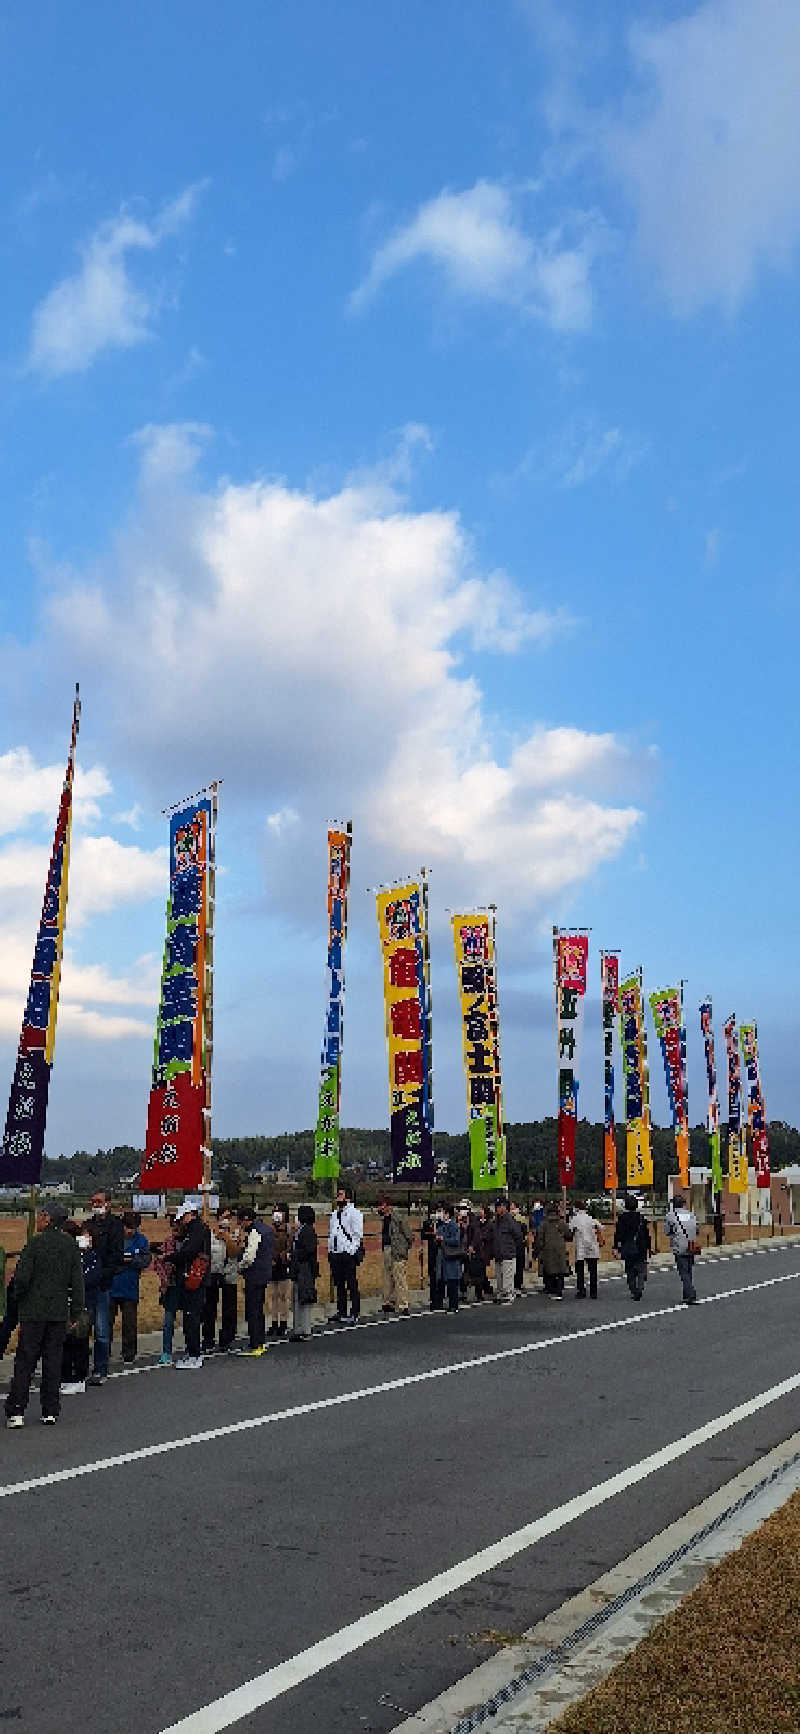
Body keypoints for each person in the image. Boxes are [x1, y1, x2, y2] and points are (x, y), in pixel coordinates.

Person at [5, 1201, 84, 1427]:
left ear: (48, 1219)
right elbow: (77, 1282)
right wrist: (76, 1311)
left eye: (41, 1215)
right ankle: (50, 1410)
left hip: (33, 1311)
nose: (38, 1219)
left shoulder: (35, 1244)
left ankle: (16, 1410)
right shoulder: (70, 1246)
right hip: (58, 1312)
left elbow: (21, 1278)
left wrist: (18, 1298)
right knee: (53, 1360)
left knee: (26, 1361)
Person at [164, 1201, 212, 1368]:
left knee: (191, 1317)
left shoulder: (197, 1230)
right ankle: (191, 1351)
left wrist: (170, 1257)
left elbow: (189, 1252)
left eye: (183, 1217)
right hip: (191, 1278)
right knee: (189, 1317)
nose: (182, 1221)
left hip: (194, 1279)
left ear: (189, 1214)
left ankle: (194, 1355)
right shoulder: (196, 1230)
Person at [85, 1190, 124, 1386]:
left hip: (102, 1283)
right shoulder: (88, 1224)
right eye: (93, 1201)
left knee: (101, 1329)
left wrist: (102, 1273)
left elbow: (116, 1255)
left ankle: (101, 1368)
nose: (95, 1203)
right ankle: (81, 1367)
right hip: (86, 1284)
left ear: (108, 1203)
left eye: (98, 1201)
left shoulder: (115, 1225)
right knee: (84, 1327)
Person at [61, 1220, 99, 1395]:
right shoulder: (70, 1255)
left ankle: (79, 1378)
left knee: (80, 1341)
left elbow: (89, 1279)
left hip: (83, 1305)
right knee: (66, 1341)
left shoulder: (93, 1257)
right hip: (67, 1304)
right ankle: (66, 1377)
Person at [110, 1212, 151, 1364]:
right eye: (127, 1227)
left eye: (132, 1228)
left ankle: (129, 1353)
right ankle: (104, 1352)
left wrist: (133, 1260)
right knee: (107, 1322)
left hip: (130, 1288)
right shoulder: (114, 1238)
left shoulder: (141, 1240)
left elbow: (146, 1260)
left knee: (129, 1323)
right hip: (111, 1286)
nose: (129, 1231)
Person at [203, 1210, 241, 1353]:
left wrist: (227, 1238)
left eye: (229, 1218)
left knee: (229, 1308)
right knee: (209, 1308)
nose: (226, 1220)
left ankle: (227, 1339)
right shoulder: (210, 1234)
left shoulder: (236, 1234)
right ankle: (208, 1340)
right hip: (213, 1273)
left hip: (229, 1275)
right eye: (224, 1217)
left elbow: (234, 1252)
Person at [238, 1205, 273, 1355]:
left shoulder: (255, 1232)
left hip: (254, 1274)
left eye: (240, 1222)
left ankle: (255, 1344)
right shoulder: (267, 1229)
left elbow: (249, 1256)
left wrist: (240, 1267)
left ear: (246, 1220)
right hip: (264, 1273)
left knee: (252, 1310)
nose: (240, 1225)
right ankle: (261, 1341)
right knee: (259, 1309)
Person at [327, 1186, 363, 1323]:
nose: (338, 1197)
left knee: (351, 1283)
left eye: (340, 1195)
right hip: (336, 1253)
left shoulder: (354, 1213)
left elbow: (357, 1235)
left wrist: (351, 1251)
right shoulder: (334, 1214)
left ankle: (355, 1312)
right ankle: (341, 1311)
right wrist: (331, 1250)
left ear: (347, 1197)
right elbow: (332, 1233)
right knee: (339, 1284)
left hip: (347, 1253)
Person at [152, 1213, 180, 1364]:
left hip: (186, 1284)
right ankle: (166, 1351)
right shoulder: (168, 1241)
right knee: (168, 1320)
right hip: (170, 1285)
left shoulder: (188, 1241)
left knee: (188, 1318)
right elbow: (158, 1262)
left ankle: (190, 1348)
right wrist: (164, 1279)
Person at [378, 1197, 413, 1316]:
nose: (380, 1208)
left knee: (399, 1278)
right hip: (387, 1249)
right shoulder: (384, 1219)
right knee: (388, 1277)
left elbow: (408, 1234)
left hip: (397, 1251)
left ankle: (404, 1304)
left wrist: (404, 1248)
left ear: (388, 1206)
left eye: (382, 1206)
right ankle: (388, 1302)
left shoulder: (398, 1218)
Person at [613, 1195, 652, 1300]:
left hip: (627, 1246)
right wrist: (649, 1247)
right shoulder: (641, 1217)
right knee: (640, 1269)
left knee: (629, 1269)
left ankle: (633, 1289)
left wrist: (616, 1246)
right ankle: (640, 1287)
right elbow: (646, 1234)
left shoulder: (622, 1218)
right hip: (640, 1246)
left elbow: (618, 1234)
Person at [289, 1206, 318, 1340]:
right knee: (298, 1299)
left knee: (304, 1298)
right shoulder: (300, 1230)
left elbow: (308, 1250)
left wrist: (294, 1254)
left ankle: (305, 1330)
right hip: (299, 1268)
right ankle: (298, 1329)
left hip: (305, 1269)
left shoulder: (307, 1231)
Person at [664, 1192, 699, 1305]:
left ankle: (690, 1294)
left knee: (683, 1272)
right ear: (684, 1204)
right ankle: (686, 1294)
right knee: (689, 1270)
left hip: (679, 1245)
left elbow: (667, 1231)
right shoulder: (691, 1215)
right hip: (691, 1245)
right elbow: (697, 1229)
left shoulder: (671, 1216)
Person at [534, 1200, 571, 1299]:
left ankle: (551, 1290)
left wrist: (537, 1250)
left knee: (550, 1270)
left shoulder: (544, 1224)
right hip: (560, 1249)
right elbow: (569, 1235)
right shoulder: (561, 1223)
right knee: (560, 1270)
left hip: (547, 1249)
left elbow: (539, 1238)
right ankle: (559, 1290)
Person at [569, 1200, 604, 1300]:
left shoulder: (575, 1219)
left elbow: (569, 1231)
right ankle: (594, 1292)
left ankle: (581, 1290)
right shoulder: (591, 1218)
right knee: (593, 1271)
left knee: (580, 1271)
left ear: (576, 1208)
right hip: (592, 1247)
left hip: (580, 1247)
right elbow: (601, 1227)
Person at [493, 1197, 525, 1303]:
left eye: (500, 1206)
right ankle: (501, 1293)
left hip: (508, 1252)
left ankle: (508, 1295)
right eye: (497, 1206)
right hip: (498, 1253)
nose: (498, 1209)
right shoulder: (496, 1221)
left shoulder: (510, 1220)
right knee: (500, 1276)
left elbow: (518, 1236)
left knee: (508, 1276)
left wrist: (511, 1246)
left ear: (505, 1207)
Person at [268, 1205, 290, 1338]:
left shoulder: (288, 1229)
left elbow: (290, 1245)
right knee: (273, 1295)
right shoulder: (270, 1229)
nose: (276, 1214)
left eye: (279, 1212)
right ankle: (274, 1322)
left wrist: (282, 1256)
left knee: (283, 1295)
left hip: (282, 1263)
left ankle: (284, 1322)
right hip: (272, 1264)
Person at [438, 1205, 463, 1312]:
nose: (441, 1214)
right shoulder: (442, 1225)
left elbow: (456, 1240)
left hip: (452, 1256)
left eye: (442, 1212)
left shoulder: (453, 1225)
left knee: (453, 1282)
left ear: (447, 1214)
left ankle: (454, 1305)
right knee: (448, 1281)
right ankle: (451, 1305)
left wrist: (444, 1238)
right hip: (445, 1256)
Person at [420, 1208, 445, 1310]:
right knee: (432, 1275)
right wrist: (431, 1234)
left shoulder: (442, 1223)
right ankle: (433, 1299)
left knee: (440, 1275)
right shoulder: (427, 1223)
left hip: (441, 1251)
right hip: (431, 1251)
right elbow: (423, 1235)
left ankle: (440, 1298)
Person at [511, 1202, 528, 1291]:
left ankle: (518, 1284)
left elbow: (525, 1232)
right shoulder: (511, 1219)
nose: (512, 1210)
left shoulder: (521, 1219)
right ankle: (517, 1284)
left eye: (513, 1208)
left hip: (518, 1245)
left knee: (518, 1266)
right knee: (516, 1266)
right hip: (515, 1246)